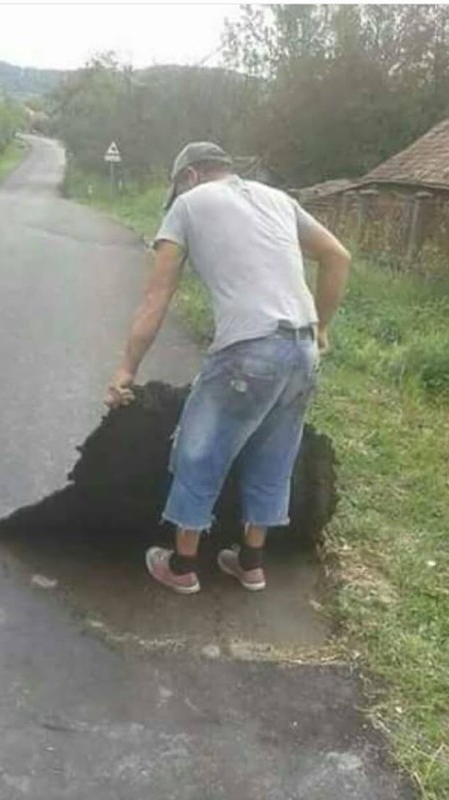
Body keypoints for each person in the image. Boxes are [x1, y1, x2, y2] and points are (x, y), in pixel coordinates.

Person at [106, 142, 350, 594]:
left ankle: (181, 567)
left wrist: (126, 367)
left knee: (200, 451)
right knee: (273, 454)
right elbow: (338, 257)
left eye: (178, 187)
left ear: (191, 176)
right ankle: (251, 563)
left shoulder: (188, 205)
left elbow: (156, 299)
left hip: (247, 351)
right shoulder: (278, 199)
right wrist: (322, 327)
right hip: (301, 351)